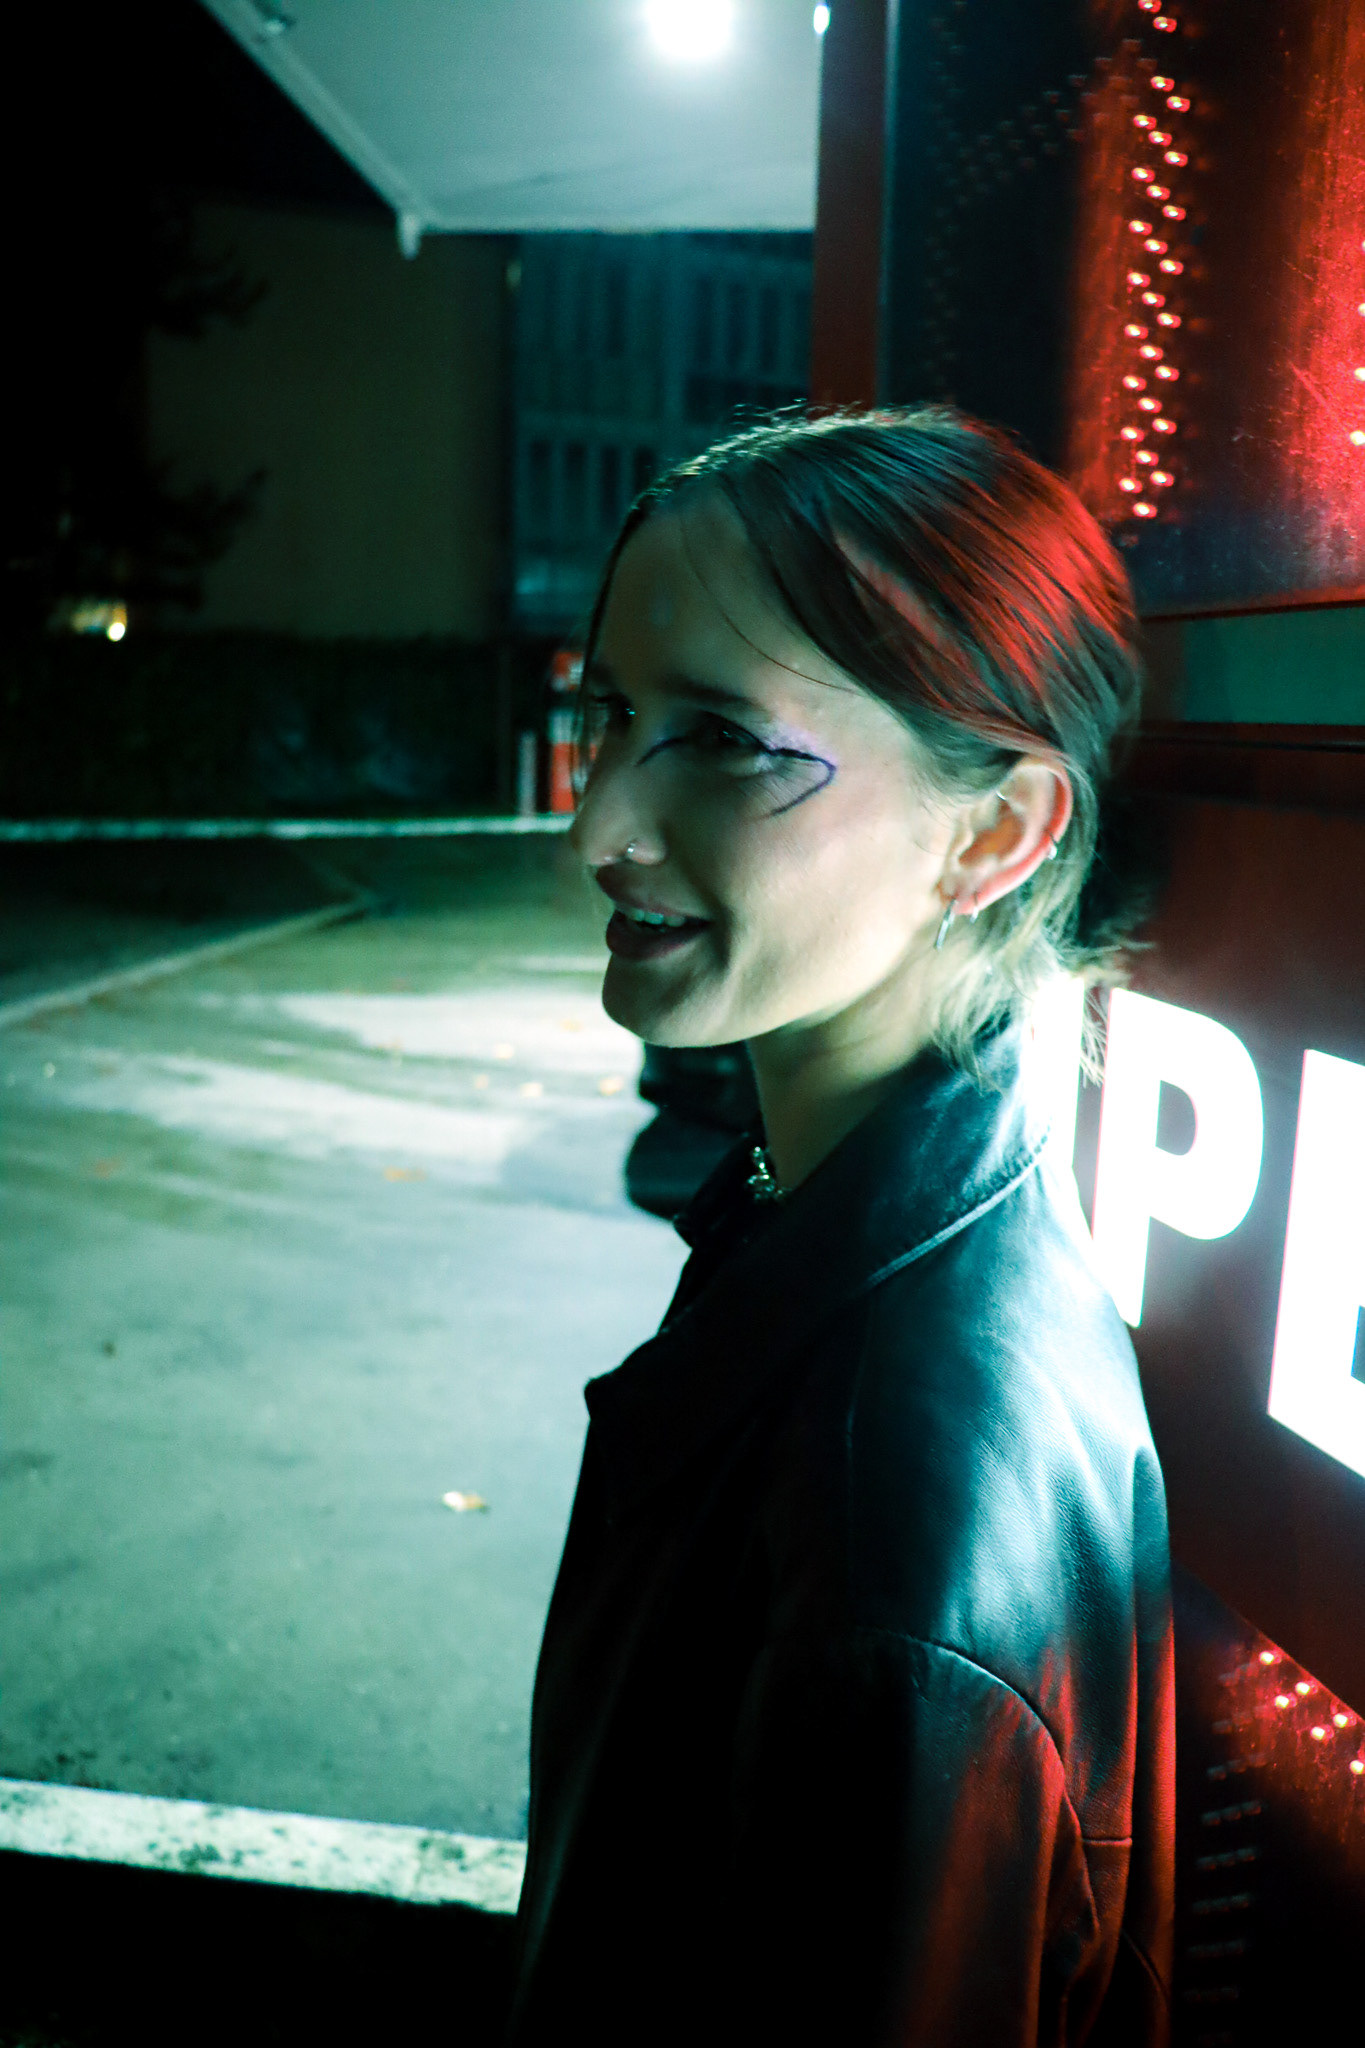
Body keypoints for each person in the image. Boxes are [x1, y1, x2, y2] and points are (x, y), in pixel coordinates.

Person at [504, 407, 1175, 2046]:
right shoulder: (830, 1238)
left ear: (992, 834)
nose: (598, 827)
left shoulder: (898, 1542)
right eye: (610, 712)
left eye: (728, 742)